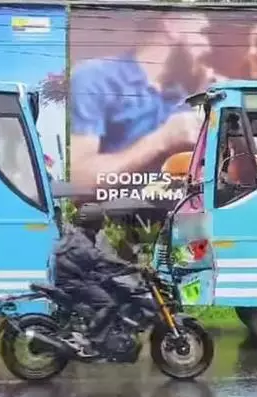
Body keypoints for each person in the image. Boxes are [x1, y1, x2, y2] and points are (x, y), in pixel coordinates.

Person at [68, 11, 214, 194]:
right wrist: (161, 140)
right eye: (202, 33)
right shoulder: (94, 78)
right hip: (114, 210)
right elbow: (77, 181)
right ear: (173, 26)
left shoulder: (184, 94)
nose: (208, 48)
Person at [53, 203, 144, 342]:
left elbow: (96, 260)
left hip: (79, 276)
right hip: (74, 281)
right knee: (109, 304)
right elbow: (98, 257)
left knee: (116, 288)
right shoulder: (80, 239)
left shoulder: (80, 234)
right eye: (100, 221)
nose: (102, 225)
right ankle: (92, 339)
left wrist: (122, 268)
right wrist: (129, 265)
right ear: (93, 221)